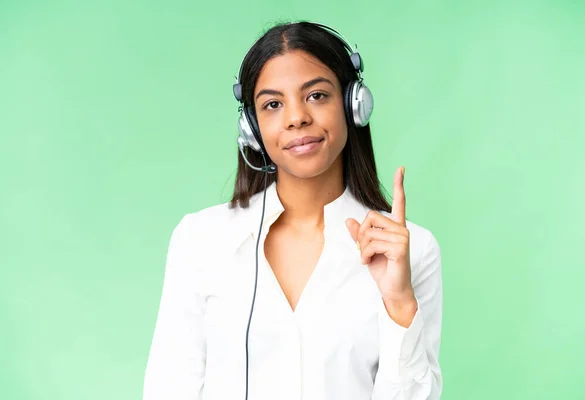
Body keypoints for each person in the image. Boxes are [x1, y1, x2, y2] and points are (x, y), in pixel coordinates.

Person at [142, 21, 443, 400]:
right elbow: (170, 388)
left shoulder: (413, 249)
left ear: (354, 104)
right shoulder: (200, 240)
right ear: (251, 127)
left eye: (316, 95)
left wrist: (399, 303)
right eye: (272, 104)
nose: (296, 117)